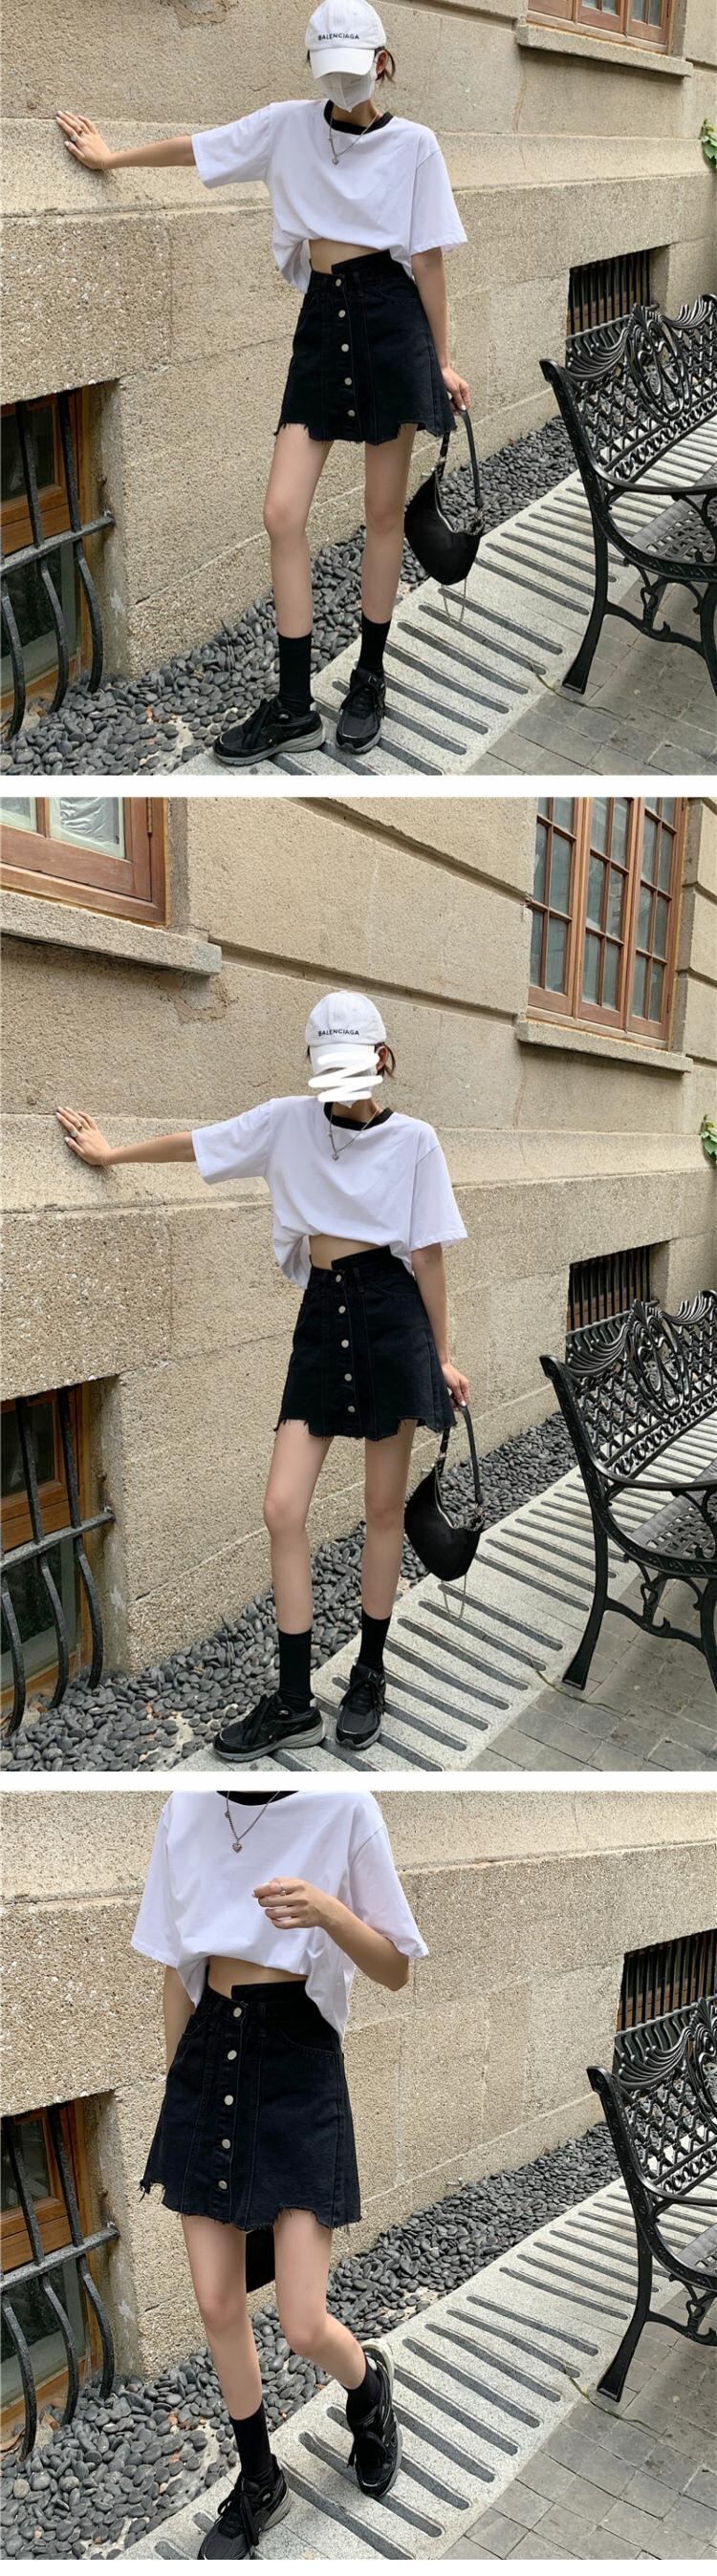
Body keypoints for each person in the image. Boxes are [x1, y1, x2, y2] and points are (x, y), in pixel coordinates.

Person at [55, 987, 469, 1760]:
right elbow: (201, 1143)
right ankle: (293, 1702)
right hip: (322, 1317)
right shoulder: (287, 1123)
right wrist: (113, 1154)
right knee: (282, 1507)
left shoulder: (416, 1141)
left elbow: (429, 1256)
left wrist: (442, 1355)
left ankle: (369, 1675)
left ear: (381, 1058)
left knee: (384, 1509)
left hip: (392, 1320)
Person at [56, 0, 468, 763]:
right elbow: (203, 148)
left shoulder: (416, 145)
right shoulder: (287, 126)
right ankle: (293, 707)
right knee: (282, 511)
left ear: (383, 63)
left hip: (392, 322)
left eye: (355, 70)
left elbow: (430, 259)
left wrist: (442, 361)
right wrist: (112, 160)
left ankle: (369, 679)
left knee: (383, 513)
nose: (342, 84)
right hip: (323, 320)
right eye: (330, 72)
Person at [132, 1784, 428, 2560]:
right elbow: (175, 1968)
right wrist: (182, 2091)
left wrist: (328, 1911)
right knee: (216, 2302)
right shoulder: (187, 1808)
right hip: (207, 2053)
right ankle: (260, 2477)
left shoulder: (343, 1807)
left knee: (302, 2322)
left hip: (298, 2061)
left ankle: (368, 2388)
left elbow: (396, 1968)